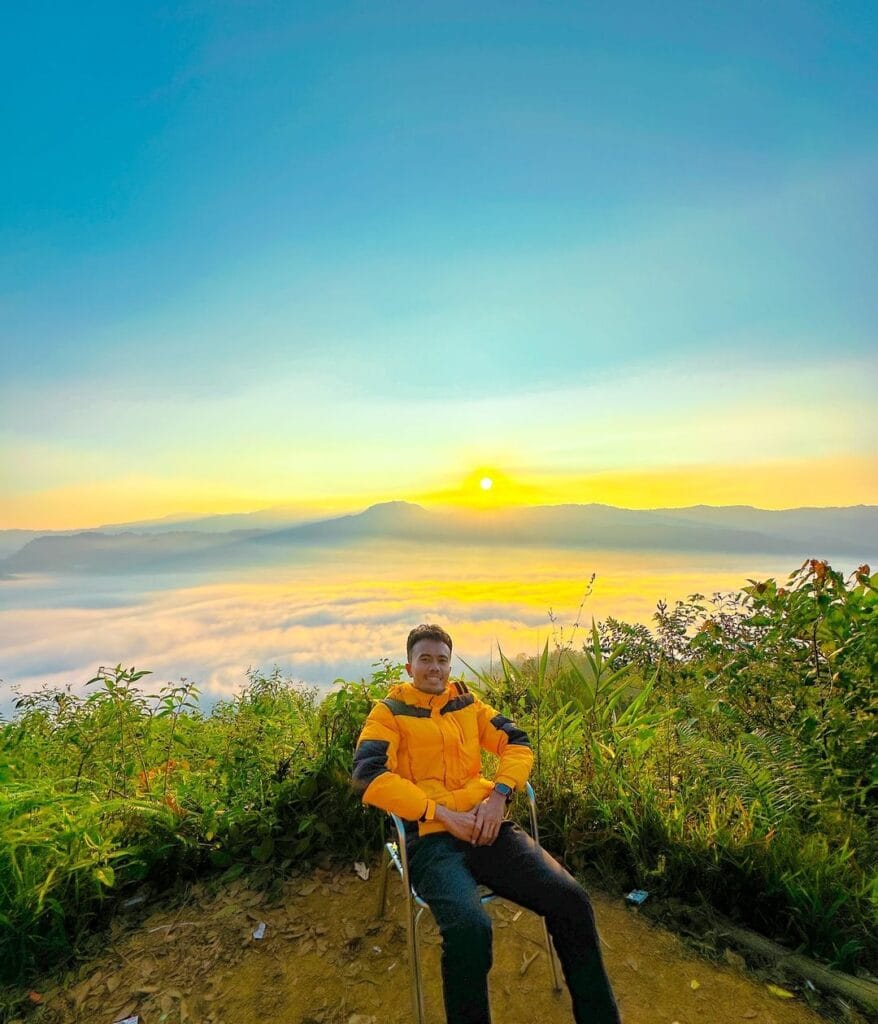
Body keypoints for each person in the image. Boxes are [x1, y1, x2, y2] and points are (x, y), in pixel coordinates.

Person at [352, 623, 621, 1024]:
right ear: (409, 666)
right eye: (425, 659)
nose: (435, 668)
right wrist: (440, 814)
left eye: (442, 660)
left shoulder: (467, 704)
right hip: (430, 840)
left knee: (572, 900)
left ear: (450, 664)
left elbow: (518, 743)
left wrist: (499, 796)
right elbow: (367, 776)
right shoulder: (388, 714)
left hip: (487, 827)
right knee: (470, 930)